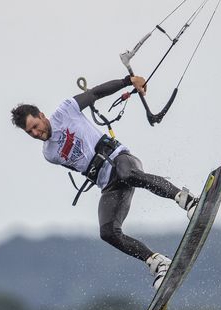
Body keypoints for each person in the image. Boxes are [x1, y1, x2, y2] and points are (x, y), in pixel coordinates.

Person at [10, 75, 198, 289]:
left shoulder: (66, 111)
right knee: (107, 232)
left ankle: (188, 200)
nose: (36, 133)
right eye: (30, 132)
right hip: (108, 184)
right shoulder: (49, 154)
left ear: (42, 115)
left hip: (120, 159)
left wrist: (129, 81)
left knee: (128, 175)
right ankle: (157, 262)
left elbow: (95, 93)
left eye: (35, 125)